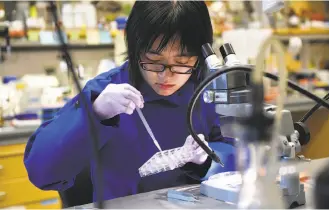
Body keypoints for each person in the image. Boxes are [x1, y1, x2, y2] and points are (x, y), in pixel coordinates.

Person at [24, 1, 232, 203]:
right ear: (135, 49)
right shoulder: (105, 91)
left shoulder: (207, 91)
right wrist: (94, 115)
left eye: (182, 63)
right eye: (153, 61)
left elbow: (240, 164)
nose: (166, 76)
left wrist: (205, 161)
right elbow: (41, 173)